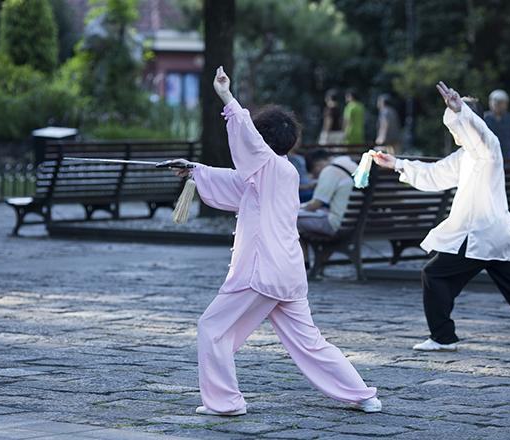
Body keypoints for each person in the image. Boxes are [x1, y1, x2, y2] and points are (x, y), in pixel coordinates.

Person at [162, 67, 381, 416]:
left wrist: (227, 97)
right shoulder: (281, 172)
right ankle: (362, 394)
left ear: (262, 143)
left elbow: (248, 143)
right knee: (310, 343)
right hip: (288, 274)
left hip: (260, 272)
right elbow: (238, 183)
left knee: (212, 328)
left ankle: (225, 403)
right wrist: (194, 169)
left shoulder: (266, 165)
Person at [371, 81, 510, 354]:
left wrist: (459, 109)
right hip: (491, 237)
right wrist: (397, 164)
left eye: (458, 118)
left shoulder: (488, 147)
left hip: (480, 234)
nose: (454, 126)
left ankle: (442, 337)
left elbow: (477, 132)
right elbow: (435, 175)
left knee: (434, 274)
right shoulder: (465, 156)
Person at [297, 149, 358, 237]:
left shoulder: (330, 170)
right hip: (353, 223)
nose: (317, 177)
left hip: (337, 224)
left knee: (292, 221)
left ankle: (302, 251)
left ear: (317, 166)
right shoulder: (349, 163)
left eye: (315, 174)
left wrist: (297, 208)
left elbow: (315, 205)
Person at [484, 89, 510, 159]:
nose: (497, 105)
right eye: (495, 102)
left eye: (501, 103)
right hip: (489, 152)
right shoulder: (485, 118)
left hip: (506, 152)